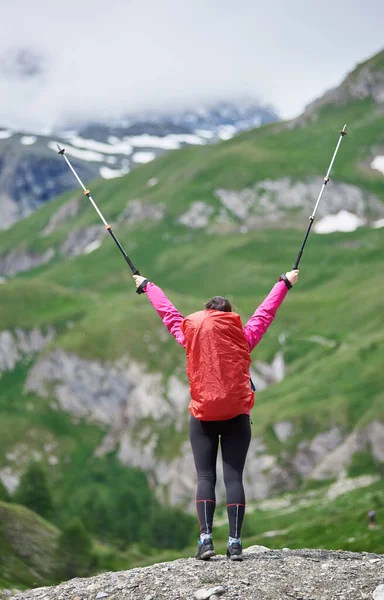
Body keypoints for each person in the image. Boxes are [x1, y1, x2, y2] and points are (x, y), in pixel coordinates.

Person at [133, 269, 299, 560]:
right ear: (229, 316)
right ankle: (235, 544)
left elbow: (168, 313)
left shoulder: (190, 334)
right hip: (237, 415)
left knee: (206, 476)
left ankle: (206, 541)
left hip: (203, 416)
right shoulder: (243, 338)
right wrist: (284, 283)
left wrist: (148, 286)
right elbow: (265, 312)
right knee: (234, 477)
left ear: (206, 316)